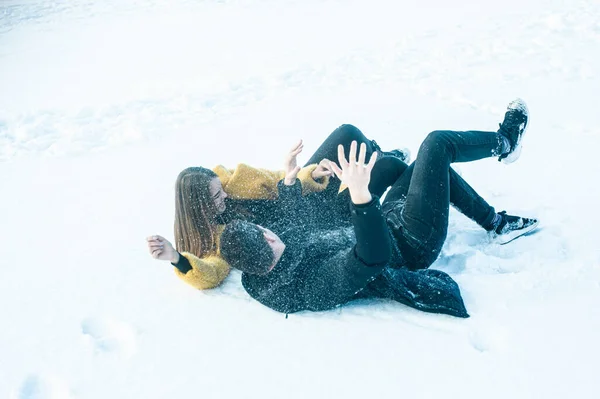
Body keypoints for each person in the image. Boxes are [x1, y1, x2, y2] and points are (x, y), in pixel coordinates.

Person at [219, 99, 539, 316]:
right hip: (411, 243)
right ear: (268, 241)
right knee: (436, 145)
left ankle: (496, 223)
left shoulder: (258, 269)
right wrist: (359, 196)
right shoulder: (312, 286)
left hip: (387, 222)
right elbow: (371, 259)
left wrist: (290, 179)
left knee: (409, 168)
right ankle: (505, 143)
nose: (273, 232)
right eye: (267, 233)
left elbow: (296, 221)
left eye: (264, 229)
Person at [146, 124, 409, 290]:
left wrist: (311, 174)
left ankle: (377, 156)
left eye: (221, 187)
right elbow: (210, 273)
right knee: (384, 170)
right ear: (201, 207)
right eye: (217, 196)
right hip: (310, 222)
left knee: (347, 133)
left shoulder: (233, 181)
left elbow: (276, 180)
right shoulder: (217, 238)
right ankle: (384, 165)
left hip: (298, 195)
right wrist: (177, 259)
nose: (224, 194)